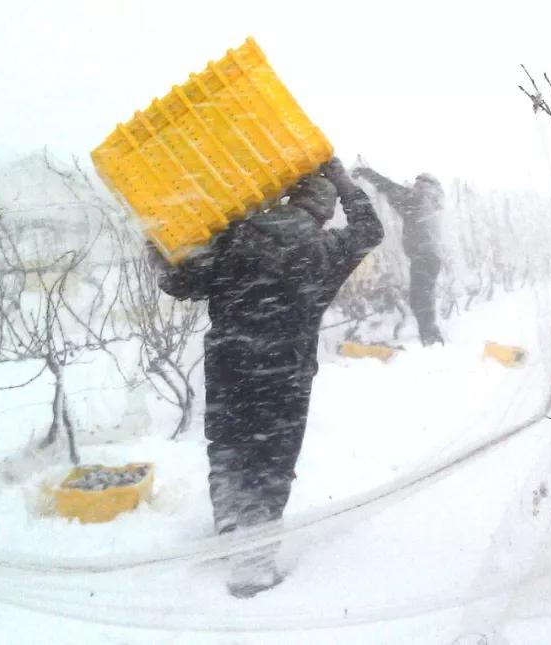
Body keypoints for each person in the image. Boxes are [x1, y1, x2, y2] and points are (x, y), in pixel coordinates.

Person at [152, 157, 383, 597]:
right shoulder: (326, 251)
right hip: (285, 370)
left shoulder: (236, 234)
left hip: (228, 363)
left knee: (230, 447)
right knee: (270, 461)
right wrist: (343, 180)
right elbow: (371, 230)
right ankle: (252, 568)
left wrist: (155, 244)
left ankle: (232, 529)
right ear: (323, 209)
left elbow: (178, 282)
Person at [351, 164, 445, 345]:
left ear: (423, 185)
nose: (414, 186)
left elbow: (389, 188)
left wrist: (366, 172)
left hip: (423, 257)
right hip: (430, 256)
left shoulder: (418, 198)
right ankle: (430, 336)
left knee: (420, 298)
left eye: (418, 184)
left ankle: (431, 340)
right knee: (422, 297)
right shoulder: (431, 201)